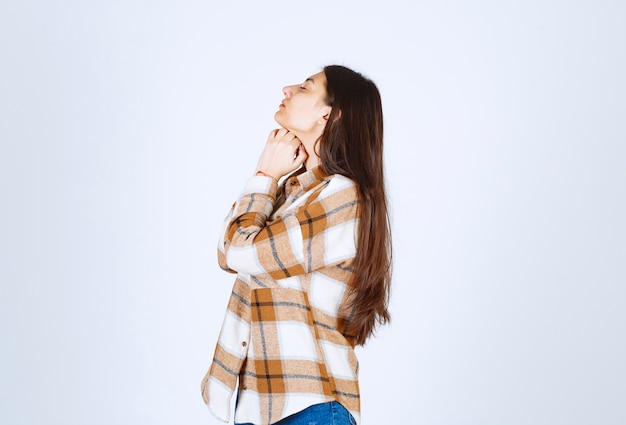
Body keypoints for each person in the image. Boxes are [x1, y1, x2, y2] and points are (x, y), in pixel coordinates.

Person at [201, 65, 392, 425]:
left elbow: (239, 251)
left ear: (330, 114)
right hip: (261, 408)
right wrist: (271, 180)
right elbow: (228, 253)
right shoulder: (293, 193)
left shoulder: (344, 197)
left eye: (306, 86)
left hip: (309, 409)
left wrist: (264, 176)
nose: (288, 89)